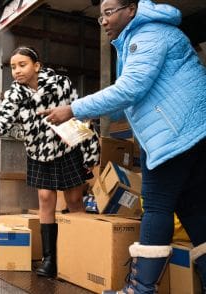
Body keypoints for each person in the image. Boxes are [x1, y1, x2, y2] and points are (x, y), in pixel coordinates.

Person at [39, 0, 206, 292]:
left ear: (131, 9)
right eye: (100, 15)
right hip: (190, 134)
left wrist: (73, 109)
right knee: (192, 208)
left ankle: (140, 289)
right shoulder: (145, 34)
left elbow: (131, 88)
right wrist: (87, 117)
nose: (102, 20)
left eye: (109, 12)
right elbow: (136, 96)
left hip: (174, 137)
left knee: (156, 205)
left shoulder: (147, 35)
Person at [0, 46, 100, 277]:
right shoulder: (14, 95)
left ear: (37, 66)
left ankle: (81, 252)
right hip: (38, 153)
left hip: (68, 148)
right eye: (13, 67)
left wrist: (90, 152)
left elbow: (81, 115)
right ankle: (49, 260)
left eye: (22, 65)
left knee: (75, 199)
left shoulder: (61, 83)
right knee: (45, 199)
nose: (16, 71)